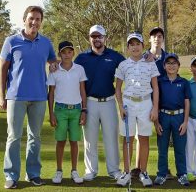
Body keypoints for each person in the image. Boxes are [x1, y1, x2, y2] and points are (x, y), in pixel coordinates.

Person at [0, 6, 56, 189]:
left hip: (40, 97)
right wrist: (2, 97)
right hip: (16, 97)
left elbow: (53, 60)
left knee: (35, 137)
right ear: (24, 19)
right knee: (14, 136)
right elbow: (3, 70)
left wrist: (55, 65)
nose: (34, 22)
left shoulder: (46, 43)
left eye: (38, 19)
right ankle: (11, 175)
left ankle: (33, 174)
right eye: (31, 18)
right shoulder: (11, 41)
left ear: (41, 21)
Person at [74, 25, 125, 181]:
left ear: (104, 38)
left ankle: (114, 170)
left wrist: (146, 57)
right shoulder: (81, 58)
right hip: (89, 102)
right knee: (90, 138)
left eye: (99, 36)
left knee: (111, 138)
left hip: (109, 102)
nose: (96, 39)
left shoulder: (115, 56)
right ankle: (91, 171)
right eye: (93, 36)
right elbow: (70, 72)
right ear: (89, 38)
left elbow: (130, 65)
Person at [115, 32, 159, 187]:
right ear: (128, 48)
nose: (135, 47)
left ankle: (144, 172)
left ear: (142, 46)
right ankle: (126, 172)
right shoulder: (123, 65)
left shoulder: (150, 63)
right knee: (127, 139)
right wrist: (120, 107)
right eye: (131, 44)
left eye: (137, 44)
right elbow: (118, 89)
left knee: (144, 138)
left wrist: (155, 108)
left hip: (146, 104)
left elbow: (155, 87)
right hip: (128, 104)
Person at [131, 27, 174, 179]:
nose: (157, 38)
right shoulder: (143, 56)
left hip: (165, 100)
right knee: (141, 135)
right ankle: (137, 168)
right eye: (154, 36)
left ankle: (164, 169)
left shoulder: (168, 57)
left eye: (160, 36)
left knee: (163, 135)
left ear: (163, 38)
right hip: (144, 100)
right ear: (149, 40)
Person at [47, 41, 87, 184]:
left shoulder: (79, 69)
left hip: (76, 109)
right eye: (64, 52)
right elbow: (51, 93)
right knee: (61, 141)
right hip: (60, 110)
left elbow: (82, 90)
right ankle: (59, 171)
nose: (67, 55)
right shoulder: (54, 70)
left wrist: (84, 110)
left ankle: (74, 170)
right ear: (59, 54)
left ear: (73, 53)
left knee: (74, 141)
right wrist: (51, 113)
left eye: (69, 52)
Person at [153, 53, 191, 186]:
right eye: (168, 63)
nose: (171, 65)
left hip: (179, 117)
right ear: (164, 66)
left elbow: (187, 103)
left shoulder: (184, 82)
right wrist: (156, 122)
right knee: (162, 148)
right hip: (163, 116)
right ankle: (161, 174)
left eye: (174, 63)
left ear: (179, 66)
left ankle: (182, 175)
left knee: (180, 149)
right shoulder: (159, 82)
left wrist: (185, 122)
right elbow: (155, 104)